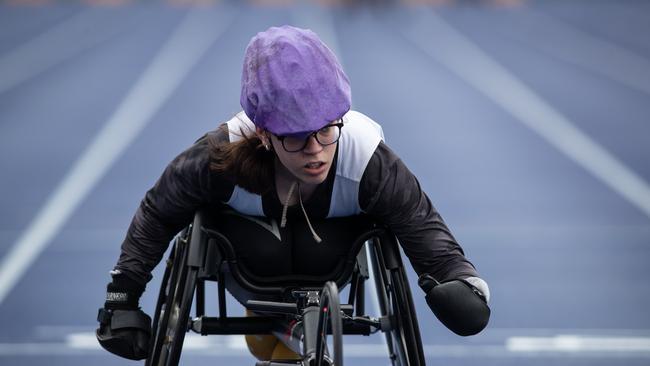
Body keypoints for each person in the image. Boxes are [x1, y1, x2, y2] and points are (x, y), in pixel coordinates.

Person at [95, 25, 491, 361]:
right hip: (248, 264)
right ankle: (276, 335)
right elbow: (159, 211)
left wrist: (462, 282)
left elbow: (423, 228)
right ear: (264, 133)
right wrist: (122, 297)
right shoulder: (219, 157)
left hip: (333, 264)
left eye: (325, 130)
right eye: (297, 138)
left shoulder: (368, 160)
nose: (316, 149)